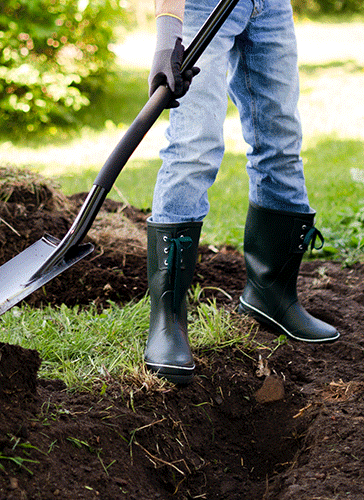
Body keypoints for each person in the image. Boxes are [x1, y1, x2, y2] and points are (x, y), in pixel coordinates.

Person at [144, 0, 340, 385]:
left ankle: (272, 295)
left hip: (269, 7)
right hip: (200, 6)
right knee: (194, 145)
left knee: (281, 139)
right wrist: (169, 34)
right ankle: (167, 320)